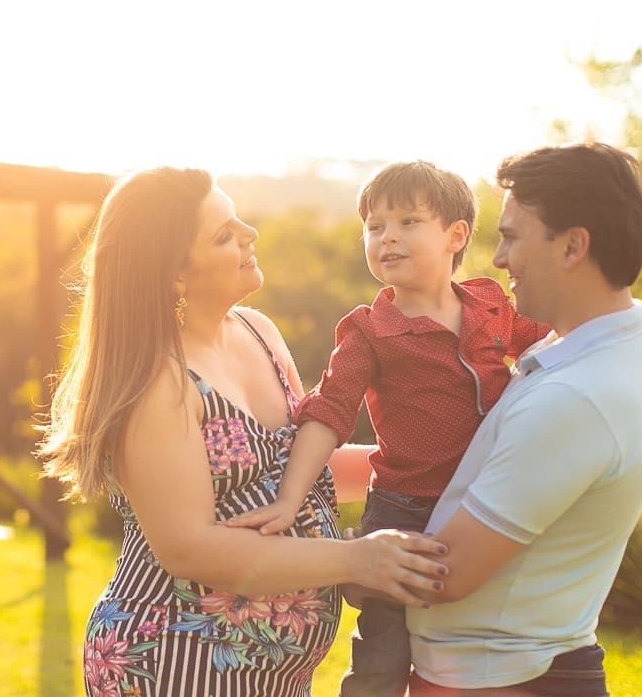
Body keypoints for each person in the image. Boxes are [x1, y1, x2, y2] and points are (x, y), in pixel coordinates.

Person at [37, 166, 448, 697]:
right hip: (174, 659)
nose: (249, 235)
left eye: (239, 222)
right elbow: (189, 549)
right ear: (175, 274)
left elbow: (298, 468)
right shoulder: (158, 381)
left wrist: (438, 465)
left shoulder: (257, 330)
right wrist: (357, 558)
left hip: (271, 674)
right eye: (223, 235)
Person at [227, 160, 549, 697]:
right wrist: (289, 499)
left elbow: (548, 343)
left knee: (492, 645)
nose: (387, 238)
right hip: (406, 510)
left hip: (489, 500)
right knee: (383, 660)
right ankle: (367, 574)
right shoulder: (370, 331)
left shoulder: (492, 305)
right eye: (375, 227)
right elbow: (327, 413)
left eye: (407, 223)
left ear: (456, 235)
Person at [406, 143, 642, 696]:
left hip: (499, 682)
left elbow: (445, 574)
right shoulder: (602, 344)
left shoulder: (578, 395)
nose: (498, 259)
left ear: (573, 246)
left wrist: (335, 555)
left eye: (512, 236)